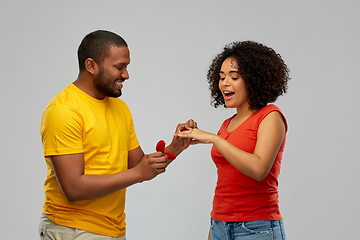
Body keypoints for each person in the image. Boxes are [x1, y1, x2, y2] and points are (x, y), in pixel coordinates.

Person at [38, 30, 195, 240]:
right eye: (119, 67)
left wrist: (175, 146)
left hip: (113, 230)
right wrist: (139, 173)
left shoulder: (120, 108)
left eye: (126, 67)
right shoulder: (64, 111)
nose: (126, 75)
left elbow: (138, 164)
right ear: (91, 66)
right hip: (72, 229)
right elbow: (73, 188)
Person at [176, 41, 290, 240]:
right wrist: (215, 228)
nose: (224, 83)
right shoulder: (227, 124)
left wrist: (214, 139)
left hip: (257, 228)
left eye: (234, 77)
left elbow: (259, 169)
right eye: (221, 77)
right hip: (220, 224)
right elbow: (227, 183)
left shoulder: (270, 116)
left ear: (254, 80)